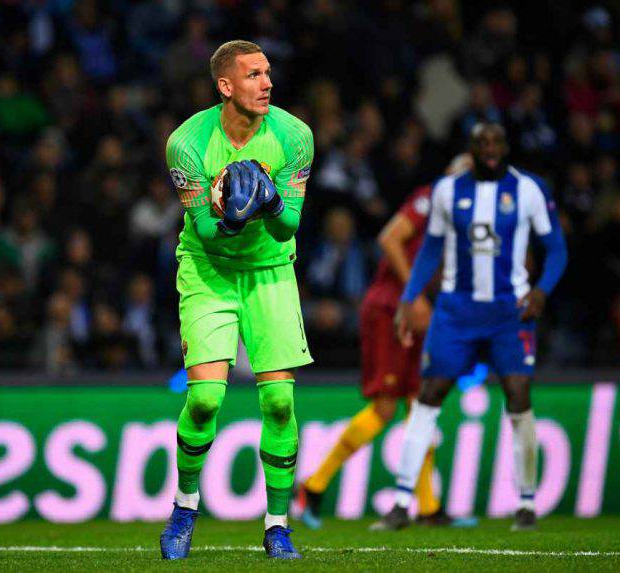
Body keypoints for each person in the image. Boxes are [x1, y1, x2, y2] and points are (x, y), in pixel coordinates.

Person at [159, 40, 313, 560]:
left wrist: (269, 202)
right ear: (225, 86)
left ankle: (277, 527)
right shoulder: (186, 144)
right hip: (210, 271)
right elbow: (204, 230)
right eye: (253, 75)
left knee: (280, 402)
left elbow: (289, 226)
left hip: (270, 271)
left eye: (268, 73)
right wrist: (234, 215)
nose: (267, 83)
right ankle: (185, 508)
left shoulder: (294, 136)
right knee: (205, 400)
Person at [380, 123, 567, 531]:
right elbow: (430, 249)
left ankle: (527, 503)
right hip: (456, 311)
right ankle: (401, 503)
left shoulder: (529, 189)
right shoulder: (447, 191)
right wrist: (410, 298)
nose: (490, 148)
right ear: (472, 148)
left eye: (497, 141)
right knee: (429, 394)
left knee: (518, 394)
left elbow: (556, 248)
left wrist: (542, 291)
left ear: (507, 146)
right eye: (482, 142)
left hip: (509, 312)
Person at [294, 155, 473, 531]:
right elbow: (390, 238)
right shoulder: (428, 199)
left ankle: (428, 507)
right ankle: (314, 485)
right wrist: (414, 294)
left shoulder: (461, 219)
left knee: (420, 405)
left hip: (417, 310)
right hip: (390, 309)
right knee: (386, 407)